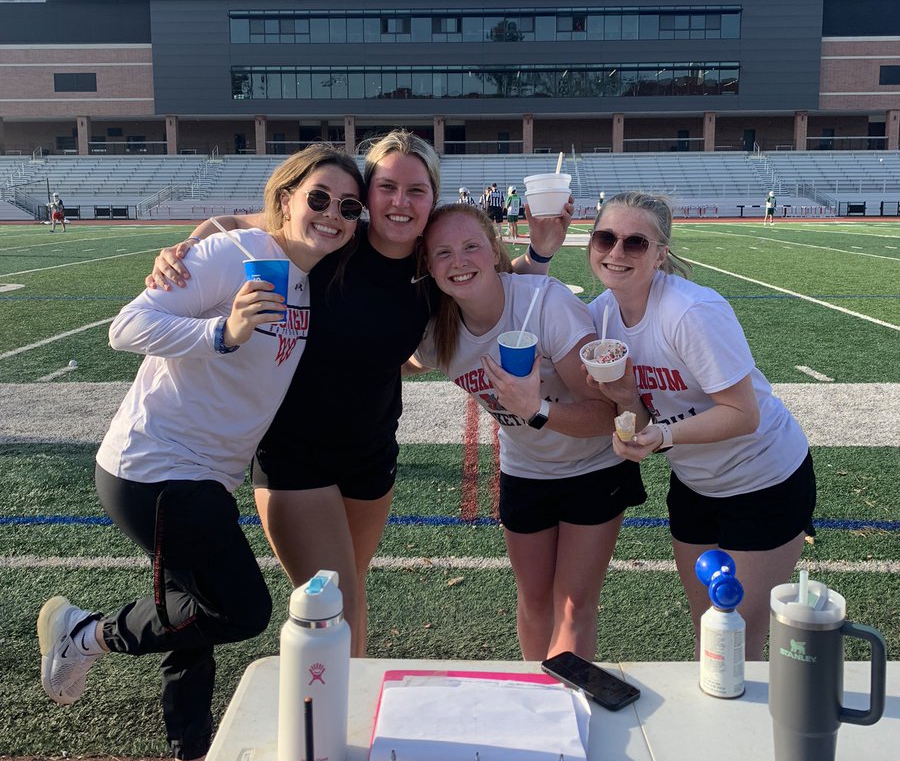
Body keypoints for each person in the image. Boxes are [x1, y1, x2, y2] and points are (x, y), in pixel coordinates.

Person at [144, 131, 572, 657]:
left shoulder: (432, 260)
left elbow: (498, 290)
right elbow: (237, 228)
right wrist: (186, 247)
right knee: (332, 608)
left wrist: (541, 251)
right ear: (368, 195)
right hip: (294, 455)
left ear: (432, 197)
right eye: (387, 186)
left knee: (352, 600)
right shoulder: (331, 235)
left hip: (370, 455)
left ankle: (343, 722)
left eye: (416, 190)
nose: (400, 201)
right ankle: (319, 731)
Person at [36, 145, 364, 761]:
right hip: (155, 468)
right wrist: (224, 331)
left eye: (348, 206)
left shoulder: (305, 276)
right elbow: (127, 328)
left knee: (200, 611)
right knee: (240, 608)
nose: (332, 214)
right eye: (320, 198)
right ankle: (88, 634)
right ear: (289, 197)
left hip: (206, 477)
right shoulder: (228, 256)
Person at [406, 204, 646, 661]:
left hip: (593, 466)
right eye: (442, 253)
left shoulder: (546, 303)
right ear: (428, 267)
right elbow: (395, 363)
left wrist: (535, 409)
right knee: (535, 602)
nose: (459, 262)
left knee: (574, 606)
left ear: (494, 249)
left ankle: (570, 710)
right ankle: (537, 700)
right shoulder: (438, 333)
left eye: (471, 246)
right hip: (525, 470)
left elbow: (607, 415)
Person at [583, 191, 815, 660]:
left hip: (763, 480)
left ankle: (745, 732)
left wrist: (663, 436)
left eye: (635, 243)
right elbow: (642, 408)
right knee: (709, 630)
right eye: (605, 237)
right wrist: (628, 405)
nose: (616, 252)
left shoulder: (690, 311)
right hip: (695, 483)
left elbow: (743, 414)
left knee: (737, 638)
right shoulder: (601, 315)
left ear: (660, 254)